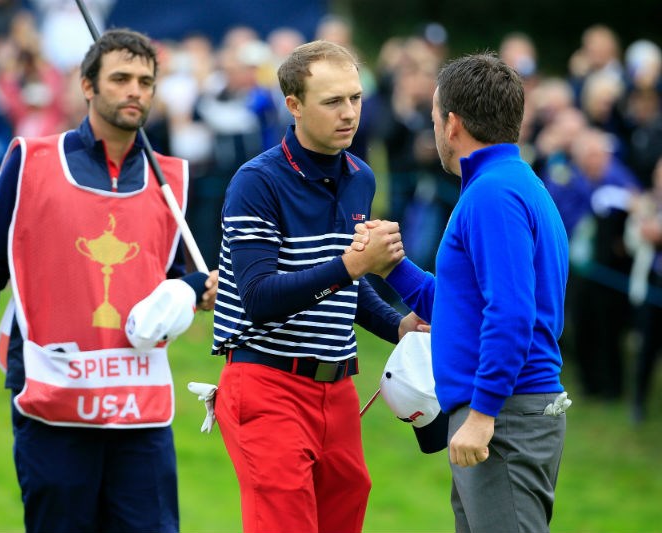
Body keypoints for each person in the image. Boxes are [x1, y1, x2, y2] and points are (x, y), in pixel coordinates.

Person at [0, 28, 217, 532]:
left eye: (146, 81)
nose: (135, 91)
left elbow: (171, 279)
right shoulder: (31, 160)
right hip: (50, 394)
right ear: (87, 85)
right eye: (120, 78)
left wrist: (193, 292)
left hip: (139, 403)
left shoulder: (172, 179)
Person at [210, 40, 425, 533]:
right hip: (266, 383)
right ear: (294, 105)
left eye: (355, 98)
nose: (349, 113)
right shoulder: (256, 181)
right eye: (332, 101)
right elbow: (260, 298)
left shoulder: (360, 177)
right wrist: (352, 266)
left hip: (338, 391)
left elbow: (343, 288)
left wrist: (399, 327)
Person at [355, 53, 571, 532]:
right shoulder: (507, 184)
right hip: (504, 412)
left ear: (452, 123)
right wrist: (393, 267)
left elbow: (511, 313)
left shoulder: (493, 195)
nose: (434, 126)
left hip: (505, 414)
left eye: (434, 116)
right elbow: (463, 308)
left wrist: (483, 412)